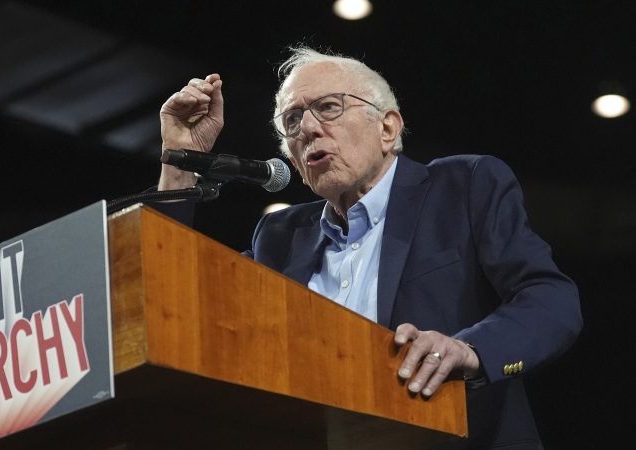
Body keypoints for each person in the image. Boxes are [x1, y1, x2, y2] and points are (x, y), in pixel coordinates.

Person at [156, 46, 582, 449]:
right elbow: (179, 304)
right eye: (292, 121)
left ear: (387, 127)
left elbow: (550, 299)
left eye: (328, 107)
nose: (306, 129)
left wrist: (469, 351)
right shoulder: (279, 237)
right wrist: (179, 162)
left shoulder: (464, 187)